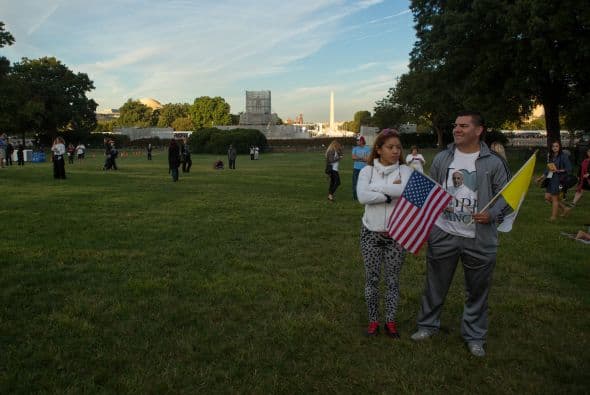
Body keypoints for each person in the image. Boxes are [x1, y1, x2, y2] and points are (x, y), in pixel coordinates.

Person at [410, 111, 510, 358]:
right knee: (435, 284)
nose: (457, 129)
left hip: (480, 237)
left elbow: (508, 196)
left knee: (477, 290)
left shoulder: (494, 162)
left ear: (478, 130)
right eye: (455, 125)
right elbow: (429, 189)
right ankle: (427, 325)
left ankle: (475, 336)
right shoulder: (443, 158)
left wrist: (493, 214)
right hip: (443, 232)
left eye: (463, 126)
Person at [357, 129, 413, 338]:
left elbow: (406, 190)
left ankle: (390, 321)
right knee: (371, 280)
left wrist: (377, 188)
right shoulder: (367, 171)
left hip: (396, 235)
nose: (396, 151)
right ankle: (373, 321)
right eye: (390, 147)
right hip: (371, 233)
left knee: (392, 280)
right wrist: (389, 195)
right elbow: (362, 196)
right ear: (379, 149)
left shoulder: (405, 171)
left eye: (398, 147)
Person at [544, 140, 572, 220]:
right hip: (550, 179)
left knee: (554, 198)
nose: (555, 148)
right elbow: (548, 169)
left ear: (559, 147)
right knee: (547, 197)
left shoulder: (563, 156)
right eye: (553, 146)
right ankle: (565, 209)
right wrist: (541, 178)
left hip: (558, 179)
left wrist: (558, 171)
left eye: (557, 146)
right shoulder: (552, 156)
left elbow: (569, 169)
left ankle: (553, 217)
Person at [352, 135, 371, 200]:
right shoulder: (355, 148)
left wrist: (358, 158)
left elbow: (368, 159)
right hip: (356, 168)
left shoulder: (368, 149)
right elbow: (353, 158)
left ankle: (365, 196)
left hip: (365, 169)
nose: (357, 142)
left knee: (366, 183)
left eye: (358, 140)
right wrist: (362, 158)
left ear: (362, 141)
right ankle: (355, 197)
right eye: (357, 140)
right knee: (355, 183)